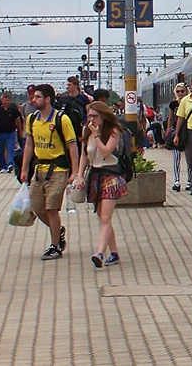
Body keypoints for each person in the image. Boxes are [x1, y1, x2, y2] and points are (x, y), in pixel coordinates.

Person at [21, 84, 79, 261]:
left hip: (58, 169)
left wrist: (75, 172)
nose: (33, 100)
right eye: (33, 97)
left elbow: (72, 146)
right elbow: (29, 145)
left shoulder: (62, 119)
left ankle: (55, 246)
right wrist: (24, 169)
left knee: (51, 207)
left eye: (38, 97)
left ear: (47, 99)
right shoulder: (31, 119)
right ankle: (58, 230)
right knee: (37, 207)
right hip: (39, 170)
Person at [72, 102, 127, 267]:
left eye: (95, 116)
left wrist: (96, 136)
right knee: (103, 218)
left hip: (111, 175)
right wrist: (79, 175)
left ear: (103, 115)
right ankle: (114, 252)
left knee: (105, 218)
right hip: (95, 176)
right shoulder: (86, 130)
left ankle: (100, 253)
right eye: (89, 115)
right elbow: (84, 155)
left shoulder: (113, 131)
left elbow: (105, 152)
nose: (91, 119)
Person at [0, 92, 21, 173]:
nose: (6, 102)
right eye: (5, 100)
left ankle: (10, 164)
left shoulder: (13, 109)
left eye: (8, 100)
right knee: (1, 150)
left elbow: (18, 120)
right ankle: (3, 166)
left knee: (11, 149)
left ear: (10, 101)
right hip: (0, 133)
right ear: (2, 101)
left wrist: (20, 130)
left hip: (11, 132)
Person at [168, 83, 188, 191]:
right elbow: (170, 119)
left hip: (188, 130)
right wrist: (168, 130)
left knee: (190, 157)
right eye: (178, 91)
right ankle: (177, 180)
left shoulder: (190, 102)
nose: (180, 93)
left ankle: (189, 180)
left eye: (182, 91)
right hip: (176, 131)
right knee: (176, 157)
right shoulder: (173, 104)